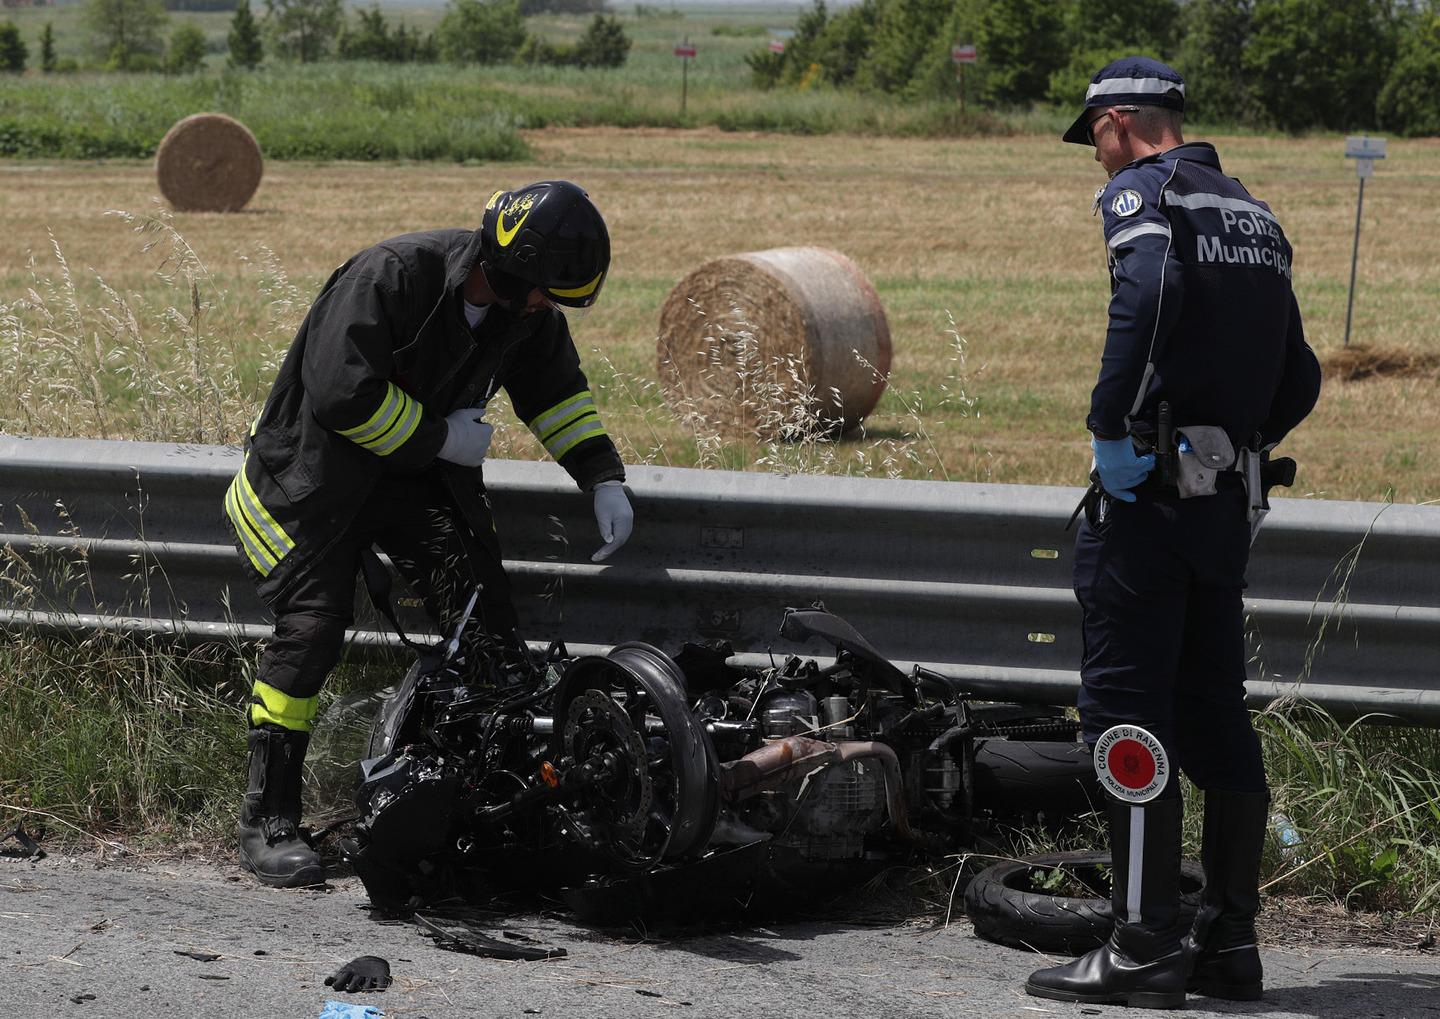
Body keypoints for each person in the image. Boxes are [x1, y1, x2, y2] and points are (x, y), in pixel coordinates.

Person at [223, 180, 635, 888]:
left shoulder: (523, 310)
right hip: (313, 482)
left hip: (412, 481)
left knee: (486, 630)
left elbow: (555, 390)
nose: (545, 308)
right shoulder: (391, 277)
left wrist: (601, 475)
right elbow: (341, 394)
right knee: (312, 629)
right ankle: (267, 820)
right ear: (508, 269)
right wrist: (441, 436)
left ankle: (488, 809)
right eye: (542, 293)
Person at [1025, 58, 1321, 1009]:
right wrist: (1244, 440)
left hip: (1148, 499)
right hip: (1224, 502)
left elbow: (1146, 294)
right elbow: (1301, 370)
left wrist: (1113, 426)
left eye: (1095, 140)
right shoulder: (1251, 210)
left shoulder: (1138, 194)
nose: (1095, 161)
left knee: (1124, 709)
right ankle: (1231, 943)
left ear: (1118, 123)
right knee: (1214, 711)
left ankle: (1146, 945)